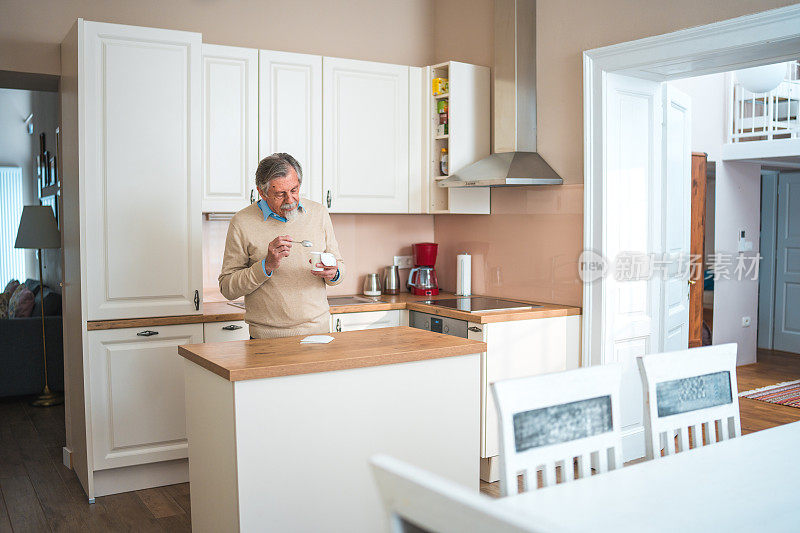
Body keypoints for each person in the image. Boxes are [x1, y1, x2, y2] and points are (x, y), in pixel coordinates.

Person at [218, 153, 344, 338]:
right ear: (262, 192)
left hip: (317, 333)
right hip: (265, 338)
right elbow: (228, 288)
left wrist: (335, 273)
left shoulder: (319, 214)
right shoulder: (241, 222)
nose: (290, 200)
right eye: (280, 194)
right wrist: (266, 265)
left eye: (294, 190)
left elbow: (339, 266)